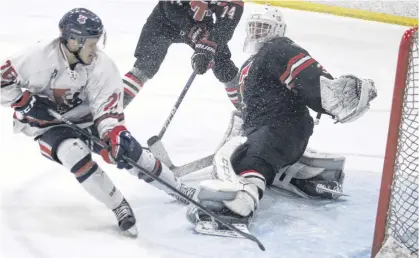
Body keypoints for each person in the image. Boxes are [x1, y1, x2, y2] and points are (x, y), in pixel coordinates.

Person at [0, 8, 196, 237]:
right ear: (73, 41)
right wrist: (23, 101)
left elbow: (108, 112)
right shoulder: (36, 57)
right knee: (73, 152)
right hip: (47, 125)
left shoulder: (103, 67)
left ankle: (179, 189)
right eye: (91, 44)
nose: (96, 49)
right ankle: (118, 205)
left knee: (129, 150)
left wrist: (113, 135)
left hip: (88, 119)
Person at [186, 5, 377, 236]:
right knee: (245, 153)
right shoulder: (251, 65)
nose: (258, 33)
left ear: (278, 30)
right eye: (254, 27)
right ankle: (293, 172)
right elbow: (243, 102)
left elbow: (307, 76)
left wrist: (334, 96)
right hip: (268, 128)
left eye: (264, 27)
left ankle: (239, 204)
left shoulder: (278, 48)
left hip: (282, 127)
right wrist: (219, 62)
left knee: (252, 160)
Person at [122, 0, 244, 109]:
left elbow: (227, 23)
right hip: (163, 24)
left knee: (223, 64)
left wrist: (210, 43)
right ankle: (111, 111)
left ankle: (248, 113)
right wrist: (191, 28)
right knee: (145, 66)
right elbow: (170, 7)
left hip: (201, 25)